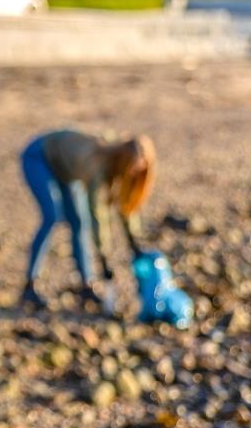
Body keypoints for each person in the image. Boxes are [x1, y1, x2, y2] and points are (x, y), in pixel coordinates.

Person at [18, 129, 156, 309]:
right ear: (124, 161)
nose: (133, 174)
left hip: (67, 169)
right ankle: (30, 284)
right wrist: (104, 257)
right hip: (39, 156)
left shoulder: (122, 166)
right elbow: (98, 214)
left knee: (79, 223)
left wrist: (134, 243)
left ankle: (86, 285)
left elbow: (125, 205)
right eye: (132, 169)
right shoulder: (97, 165)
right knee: (52, 217)